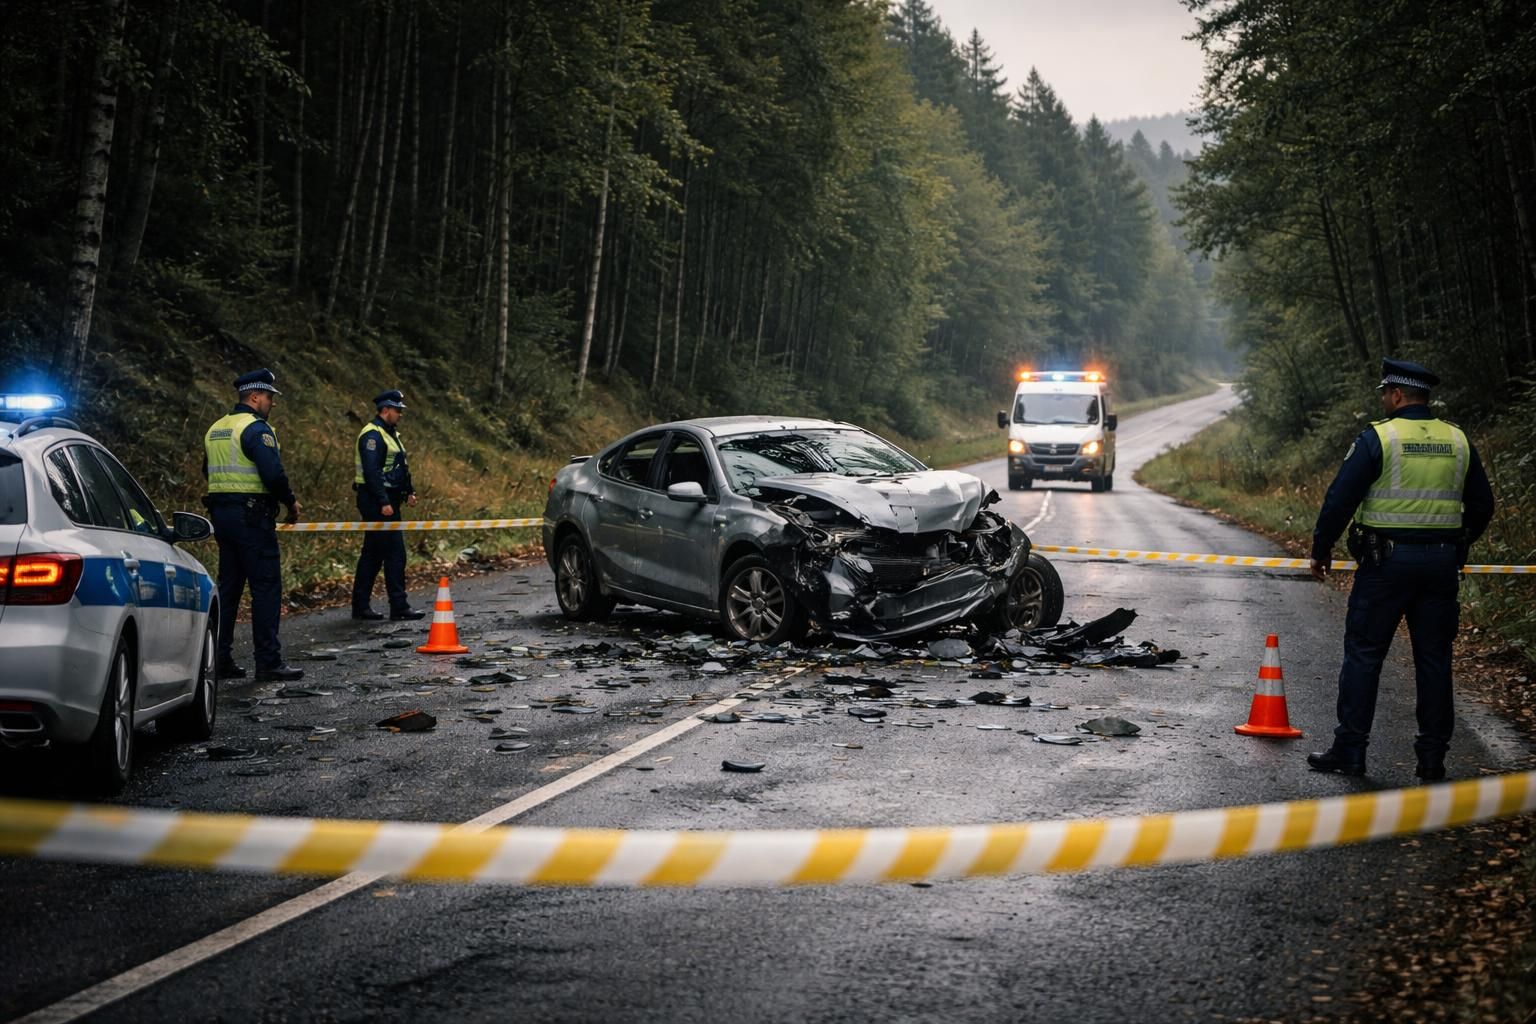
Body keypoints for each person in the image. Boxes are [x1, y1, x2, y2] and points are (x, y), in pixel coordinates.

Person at [1306, 358, 1495, 781]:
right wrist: (1458, 543)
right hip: (1441, 566)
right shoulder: (1458, 440)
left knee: (1364, 656)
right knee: (1434, 660)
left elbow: (1340, 499)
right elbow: (1483, 504)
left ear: (1395, 395)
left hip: (1384, 566)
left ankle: (1350, 752)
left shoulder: (1380, 438)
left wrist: (1321, 550)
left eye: (1384, 394)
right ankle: (1432, 759)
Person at [203, 368, 305, 682]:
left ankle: (219, 659)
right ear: (255, 396)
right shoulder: (256, 429)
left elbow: (208, 471)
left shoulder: (216, 428)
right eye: (270, 397)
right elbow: (272, 474)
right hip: (252, 516)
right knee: (265, 588)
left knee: (230, 589)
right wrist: (290, 502)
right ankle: (268, 662)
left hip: (222, 515)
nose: (272, 403)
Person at [350, 389, 424, 621]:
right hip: (376, 501)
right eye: (397, 410)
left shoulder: (390, 434)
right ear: (385, 410)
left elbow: (399, 466)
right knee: (394, 553)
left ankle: (361, 606)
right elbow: (372, 472)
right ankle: (398, 605)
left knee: (372, 554)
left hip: (387, 500)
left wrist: (408, 491)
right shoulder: (372, 435)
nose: (400, 414)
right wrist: (383, 501)